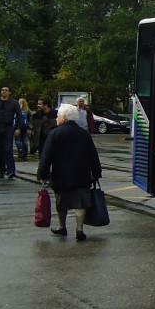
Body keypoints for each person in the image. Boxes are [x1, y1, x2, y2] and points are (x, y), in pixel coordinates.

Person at [37, 103, 103, 241]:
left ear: (64, 117)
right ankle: (79, 229)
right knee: (81, 203)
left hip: (61, 175)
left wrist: (42, 174)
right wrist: (96, 172)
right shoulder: (84, 134)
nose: (56, 119)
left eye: (58, 116)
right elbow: (93, 154)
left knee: (62, 203)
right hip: (82, 174)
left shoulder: (55, 133)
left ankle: (62, 227)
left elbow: (46, 156)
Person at [0, 85, 18, 179]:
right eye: (2, 90)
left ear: (9, 92)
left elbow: (19, 115)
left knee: (8, 149)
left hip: (8, 127)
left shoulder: (14, 103)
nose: (4, 92)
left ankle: (11, 171)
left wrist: (18, 128)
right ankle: (1, 170)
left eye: (6, 90)